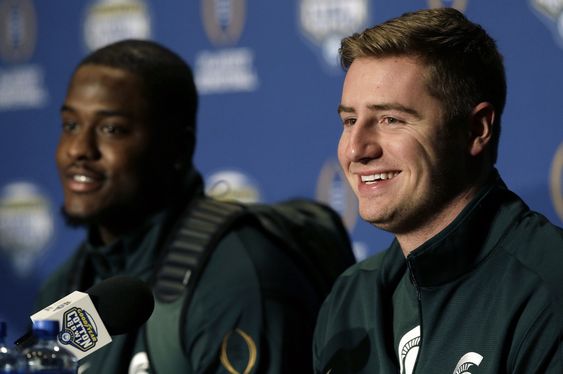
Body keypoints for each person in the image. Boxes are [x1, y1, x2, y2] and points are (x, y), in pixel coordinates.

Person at [33, 39, 337, 373]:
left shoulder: (234, 278)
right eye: (70, 125)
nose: (78, 149)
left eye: (111, 129)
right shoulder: (66, 285)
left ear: (179, 146)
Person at [313, 7, 563, 374]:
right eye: (349, 121)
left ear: (477, 129)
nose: (356, 149)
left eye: (390, 120)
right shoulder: (351, 300)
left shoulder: (549, 290)